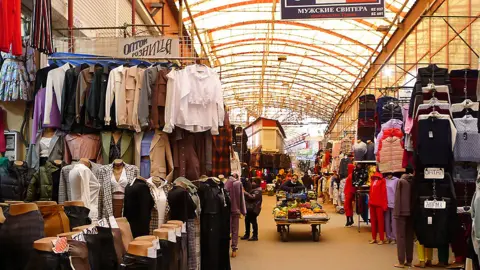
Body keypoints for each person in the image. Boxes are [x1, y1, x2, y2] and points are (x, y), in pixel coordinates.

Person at [241, 177, 263, 241]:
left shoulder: (258, 190)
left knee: (253, 222)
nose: (252, 183)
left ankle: (255, 236)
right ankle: (247, 234)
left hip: (253, 208)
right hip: (250, 208)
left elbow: (252, 197)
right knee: (247, 221)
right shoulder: (255, 189)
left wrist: (244, 192)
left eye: (254, 182)